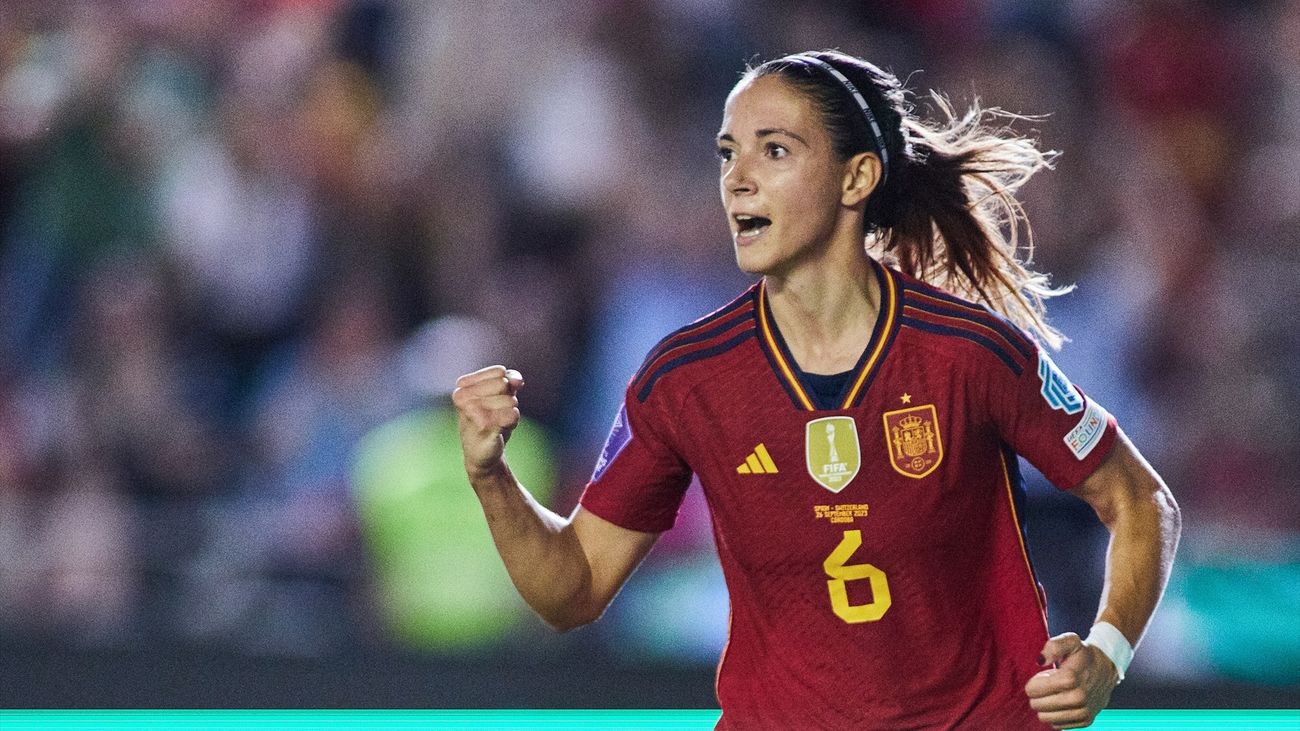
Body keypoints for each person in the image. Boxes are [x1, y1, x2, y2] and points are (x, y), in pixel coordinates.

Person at [453, 50, 1181, 730]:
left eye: (774, 150)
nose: (737, 179)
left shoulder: (970, 353)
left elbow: (1141, 501)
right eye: (728, 154)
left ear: (856, 179)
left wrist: (1108, 651)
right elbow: (574, 588)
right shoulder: (684, 379)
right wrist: (491, 476)